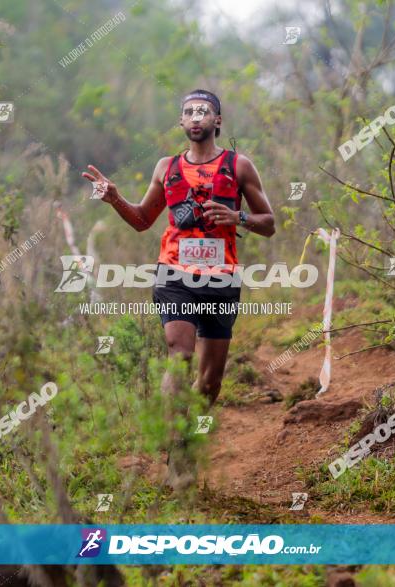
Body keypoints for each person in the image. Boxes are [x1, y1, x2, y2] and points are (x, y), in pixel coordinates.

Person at [81, 89, 274, 488]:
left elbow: (269, 222)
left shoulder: (239, 167)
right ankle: (174, 446)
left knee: (210, 381)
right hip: (175, 274)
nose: (196, 117)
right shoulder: (165, 168)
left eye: (204, 111)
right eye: (188, 112)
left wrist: (236, 215)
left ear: (217, 121)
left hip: (221, 278)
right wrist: (116, 199)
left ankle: (187, 443)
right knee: (179, 353)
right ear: (181, 123)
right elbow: (141, 220)